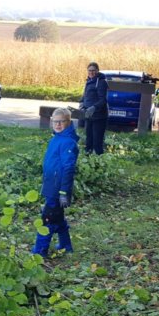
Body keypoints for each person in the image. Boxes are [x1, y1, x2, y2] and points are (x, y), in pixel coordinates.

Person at [32, 108, 79, 257]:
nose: (58, 124)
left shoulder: (68, 142)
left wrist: (64, 192)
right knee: (57, 217)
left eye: (61, 122)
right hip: (51, 184)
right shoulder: (56, 138)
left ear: (68, 122)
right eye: (55, 121)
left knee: (48, 218)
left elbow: (68, 168)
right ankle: (65, 246)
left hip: (58, 188)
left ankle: (40, 251)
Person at [80, 61, 109, 154]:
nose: (91, 72)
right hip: (89, 116)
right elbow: (86, 95)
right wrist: (81, 102)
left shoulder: (101, 82)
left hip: (99, 117)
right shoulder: (89, 81)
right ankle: (88, 160)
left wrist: (94, 107)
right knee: (89, 140)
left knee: (97, 142)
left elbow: (103, 100)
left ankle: (100, 161)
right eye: (89, 70)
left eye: (93, 70)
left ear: (97, 71)